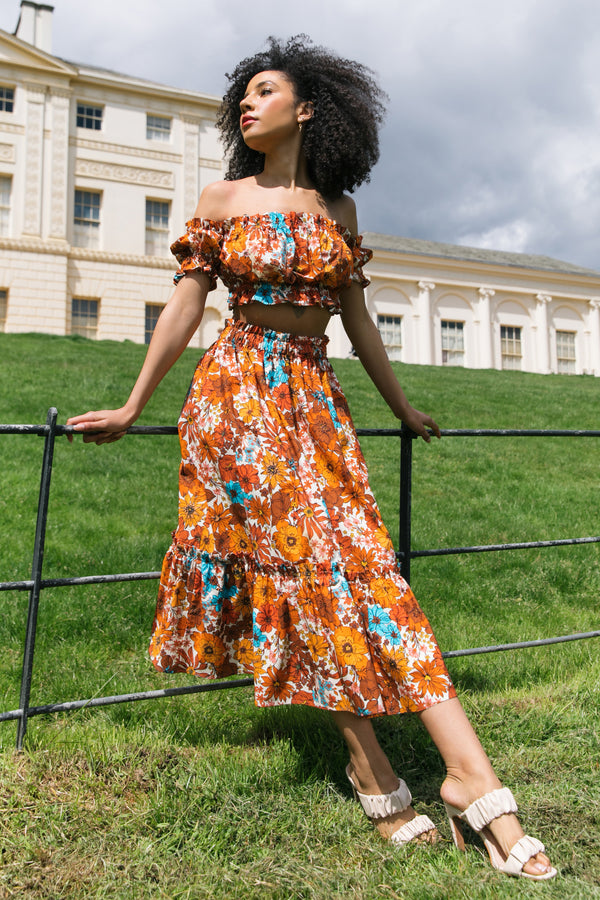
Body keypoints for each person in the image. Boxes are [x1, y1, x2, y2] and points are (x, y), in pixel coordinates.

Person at [67, 36, 556, 880]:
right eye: (242, 98)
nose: (246, 105)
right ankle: (437, 779)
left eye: (264, 91)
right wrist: (133, 404)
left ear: (308, 107)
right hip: (235, 403)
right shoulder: (221, 199)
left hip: (315, 401)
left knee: (362, 571)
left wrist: (402, 406)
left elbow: (358, 321)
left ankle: (431, 774)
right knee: (302, 571)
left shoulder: (340, 210)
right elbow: (186, 309)